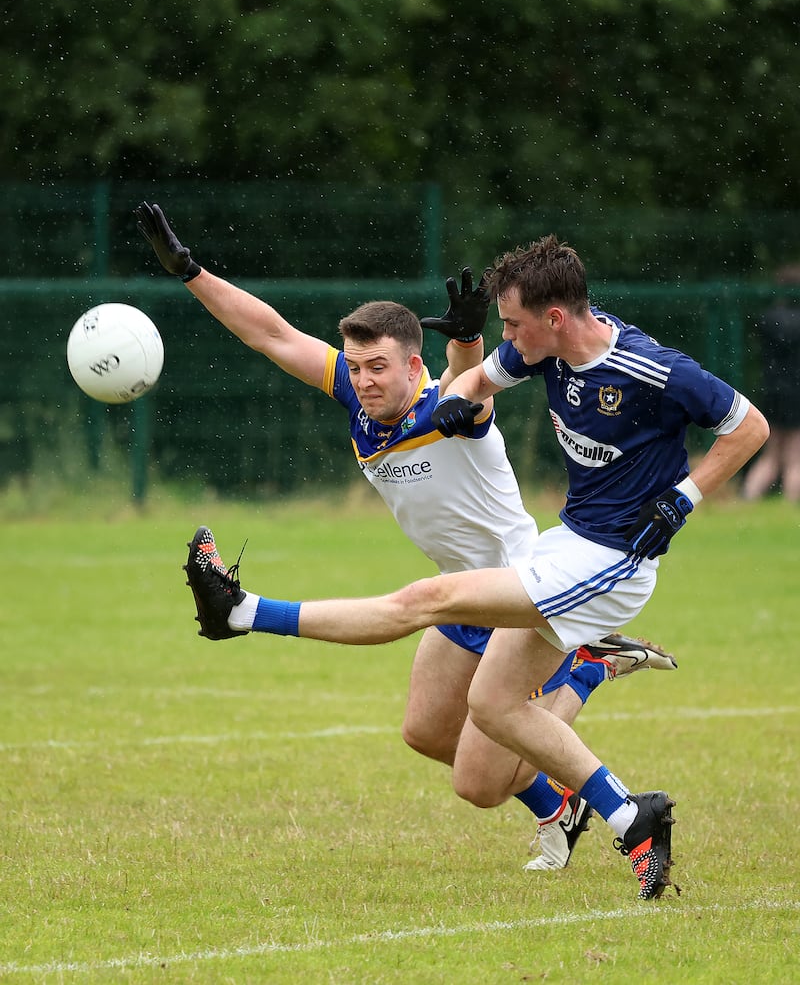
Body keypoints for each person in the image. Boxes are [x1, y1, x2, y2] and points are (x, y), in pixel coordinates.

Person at [179, 234, 769, 901]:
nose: (364, 379)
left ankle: (242, 611)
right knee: (437, 733)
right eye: (357, 368)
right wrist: (191, 272)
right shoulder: (388, 390)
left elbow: (480, 407)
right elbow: (274, 334)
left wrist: (681, 498)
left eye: (379, 368)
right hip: (546, 559)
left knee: (434, 640)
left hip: (561, 573)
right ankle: (607, 811)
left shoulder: (613, 376)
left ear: (412, 367)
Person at [741, 265, 800, 503]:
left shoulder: (769, 319)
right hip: (797, 391)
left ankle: (746, 500)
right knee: (795, 456)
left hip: (772, 389)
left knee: (771, 454)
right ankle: (790, 506)